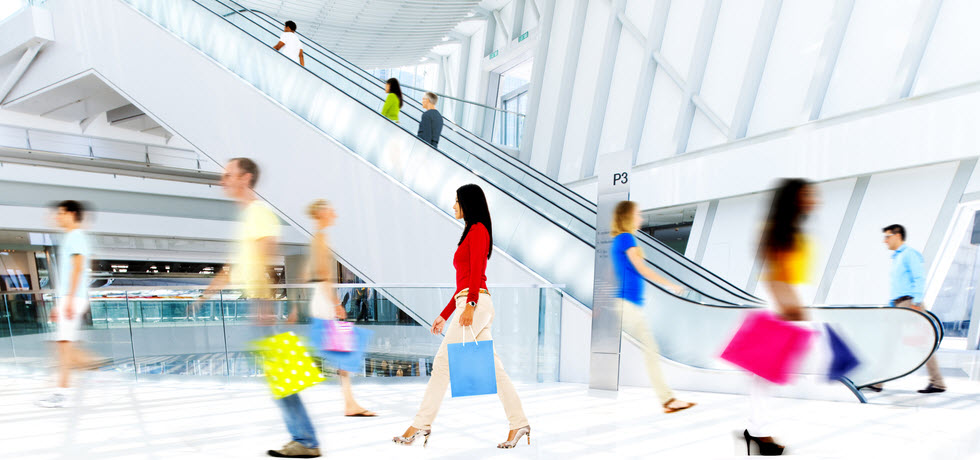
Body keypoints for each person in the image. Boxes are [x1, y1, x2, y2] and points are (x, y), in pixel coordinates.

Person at [393, 184, 530, 449]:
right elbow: (462, 284)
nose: (454, 205)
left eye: (457, 201)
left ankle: (420, 424)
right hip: (470, 302)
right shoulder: (470, 232)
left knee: (442, 364)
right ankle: (519, 423)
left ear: (468, 202)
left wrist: (470, 305)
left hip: (475, 304)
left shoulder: (478, 230)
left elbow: (478, 271)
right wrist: (445, 314)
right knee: (495, 369)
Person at [203, 158, 320, 458]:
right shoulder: (248, 217)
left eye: (228, 175)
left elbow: (268, 250)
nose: (223, 181)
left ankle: (306, 441)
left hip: (260, 304)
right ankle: (304, 438)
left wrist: (266, 301)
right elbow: (235, 265)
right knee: (278, 376)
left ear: (245, 178)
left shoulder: (257, 213)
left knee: (280, 376)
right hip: (256, 302)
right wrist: (208, 292)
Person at [742, 178, 818, 456]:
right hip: (782, 307)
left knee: (768, 374)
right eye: (808, 195)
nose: (814, 200)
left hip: (792, 305)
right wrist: (791, 310)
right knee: (765, 375)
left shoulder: (793, 230)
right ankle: (759, 432)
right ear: (793, 198)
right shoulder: (775, 230)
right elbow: (775, 276)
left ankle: (757, 428)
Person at [610, 201, 696, 414]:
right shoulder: (626, 239)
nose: (641, 219)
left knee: (649, 350)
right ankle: (667, 400)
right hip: (628, 305)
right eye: (637, 214)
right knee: (651, 350)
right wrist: (672, 285)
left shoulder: (618, 241)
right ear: (628, 217)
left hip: (626, 304)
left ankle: (667, 399)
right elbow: (642, 269)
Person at [306, 199, 377, 416]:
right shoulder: (321, 238)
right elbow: (323, 275)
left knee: (342, 351)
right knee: (341, 349)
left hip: (323, 299)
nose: (334, 212)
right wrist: (337, 304)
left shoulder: (320, 236)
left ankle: (350, 403)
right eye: (330, 209)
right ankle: (349, 403)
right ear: (321, 213)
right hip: (324, 300)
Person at [37, 200, 95, 408]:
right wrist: (60, 303)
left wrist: (69, 300)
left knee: (64, 346)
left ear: (71, 214)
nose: (57, 217)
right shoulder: (72, 237)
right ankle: (83, 377)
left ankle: (62, 393)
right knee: (64, 345)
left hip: (73, 298)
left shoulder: (76, 236)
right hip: (70, 298)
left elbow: (78, 268)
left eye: (61, 213)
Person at [875, 224, 946, 394]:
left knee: (921, 344)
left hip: (910, 304)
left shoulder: (909, 254)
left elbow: (919, 278)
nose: (885, 240)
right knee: (889, 343)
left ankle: (937, 383)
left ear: (898, 235)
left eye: (887, 236)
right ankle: (878, 382)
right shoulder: (897, 257)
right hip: (900, 305)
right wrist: (892, 305)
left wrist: (916, 303)